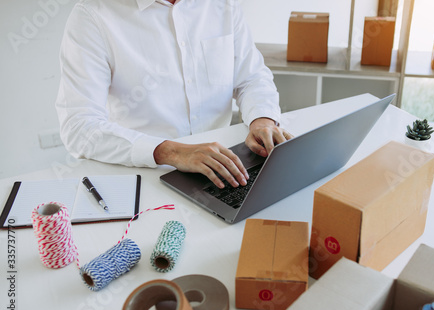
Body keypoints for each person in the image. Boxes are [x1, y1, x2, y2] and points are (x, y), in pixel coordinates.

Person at [56, 0, 292, 189]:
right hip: (146, 175)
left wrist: (262, 119)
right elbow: (79, 127)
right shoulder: (93, 16)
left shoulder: (224, 5)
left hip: (226, 166)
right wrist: (171, 151)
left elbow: (251, 77)